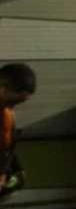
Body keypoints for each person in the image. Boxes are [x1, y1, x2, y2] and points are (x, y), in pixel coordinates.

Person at [0, 63, 36, 198]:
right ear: (3, 89)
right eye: (11, 102)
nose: (12, 108)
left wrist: (16, 169)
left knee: (18, 180)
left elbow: (6, 146)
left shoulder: (7, 113)